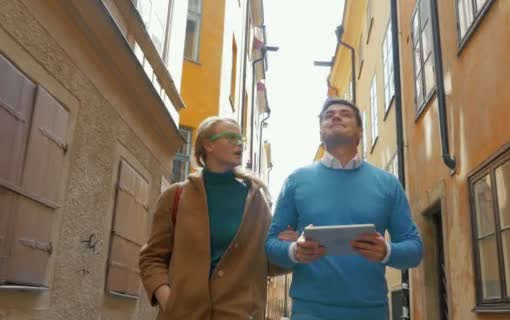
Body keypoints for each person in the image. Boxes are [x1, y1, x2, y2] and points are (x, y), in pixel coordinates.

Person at [266, 98, 424, 320]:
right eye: (328, 115)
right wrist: (294, 251)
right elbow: (271, 245)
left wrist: (387, 251)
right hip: (309, 311)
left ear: (360, 132)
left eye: (345, 114)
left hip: (371, 311)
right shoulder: (296, 181)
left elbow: (415, 249)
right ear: (320, 133)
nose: (336, 116)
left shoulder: (388, 184)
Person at [139, 116, 294, 320]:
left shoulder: (255, 200)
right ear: (208, 144)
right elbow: (152, 257)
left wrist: (291, 249)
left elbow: (269, 263)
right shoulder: (176, 196)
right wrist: (168, 300)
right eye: (230, 137)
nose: (239, 143)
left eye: (241, 139)